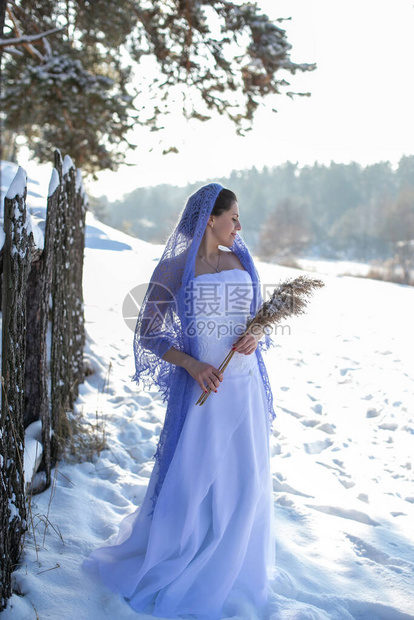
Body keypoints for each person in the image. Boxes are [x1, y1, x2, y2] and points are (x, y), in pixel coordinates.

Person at [83, 183, 277, 619]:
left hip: (242, 388)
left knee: (246, 486)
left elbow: (259, 319)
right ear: (210, 218)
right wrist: (191, 365)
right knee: (196, 485)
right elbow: (148, 332)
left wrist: (257, 334)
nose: (239, 227)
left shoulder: (242, 261)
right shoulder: (173, 271)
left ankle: (235, 573)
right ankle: (183, 557)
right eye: (233, 218)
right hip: (202, 391)